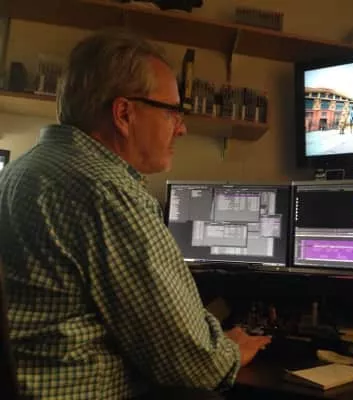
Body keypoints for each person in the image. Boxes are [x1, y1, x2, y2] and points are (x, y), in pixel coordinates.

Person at [0, 30, 270, 399]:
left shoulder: (24, 170)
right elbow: (193, 364)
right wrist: (229, 352)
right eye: (172, 112)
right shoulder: (106, 191)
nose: (182, 127)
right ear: (124, 114)